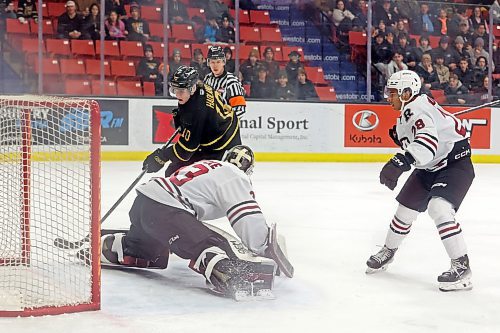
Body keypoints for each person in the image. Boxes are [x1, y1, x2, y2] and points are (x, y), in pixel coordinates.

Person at [100, 145, 293, 299]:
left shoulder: (209, 165)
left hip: (144, 203)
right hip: (167, 211)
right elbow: (247, 218)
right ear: (248, 169)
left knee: (151, 251)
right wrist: (263, 248)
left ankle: (113, 246)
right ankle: (233, 276)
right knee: (213, 246)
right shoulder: (237, 177)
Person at [366, 70, 474, 292]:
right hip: (430, 167)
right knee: (404, 211)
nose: (389, 97)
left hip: (454, 165)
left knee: (440, 208)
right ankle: (389, 251)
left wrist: (401, 161)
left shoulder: (416, 108)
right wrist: (402, 137)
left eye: (393, 93)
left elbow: (427, 143)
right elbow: (422, 137)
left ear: (407, 92)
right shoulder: (413, 108)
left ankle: (462, 268)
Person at [143, 66, 241, 176]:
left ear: (192, 88)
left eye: (181, 91)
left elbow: (185, 151)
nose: (177, 94)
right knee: (174, 171)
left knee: (177, 174)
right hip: (223, 129)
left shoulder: (197, 111)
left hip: (221, 145)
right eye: (174, 90)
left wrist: (162, 157)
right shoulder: (199, 89)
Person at [204, 46, 247, 118]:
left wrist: (224, 121)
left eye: (218, 62)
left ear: (223, 62)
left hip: (225, 127)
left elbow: (240, 109)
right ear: (208, 63)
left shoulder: (231, 81)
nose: (215, 65)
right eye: (212, 62)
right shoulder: (207, 79)